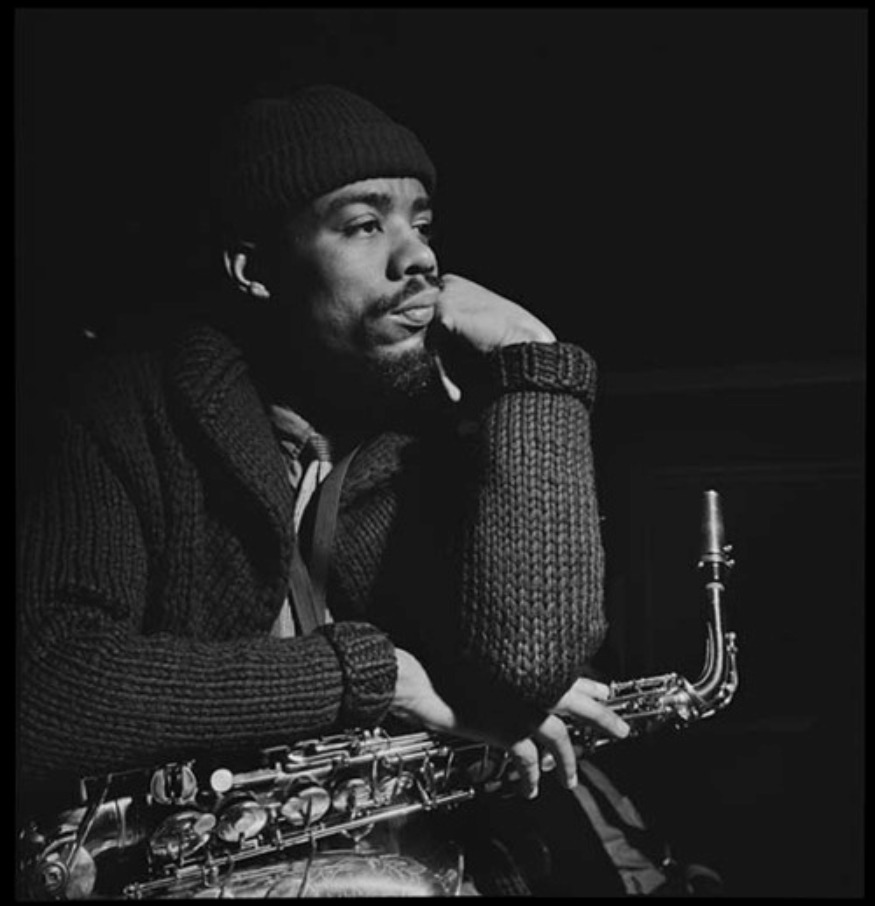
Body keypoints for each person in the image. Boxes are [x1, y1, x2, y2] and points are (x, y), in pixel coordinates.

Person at [17, 84, 629, 894]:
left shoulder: (448, 429)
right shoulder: (122, 407)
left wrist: (533, 364)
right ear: (255, 269)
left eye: (421, 224)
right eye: (364, 224)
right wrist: (372, 680)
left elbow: (525, 674)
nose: (418, 259)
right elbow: (47, 690)